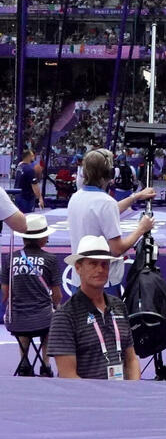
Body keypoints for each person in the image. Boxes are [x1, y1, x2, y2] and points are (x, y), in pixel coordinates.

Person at [48, 235, 141, 380]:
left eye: (104, 264)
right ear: (78, 268)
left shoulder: (118, 306)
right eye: (93, 263)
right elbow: (68, 376)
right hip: (87, 400)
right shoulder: (64, 316)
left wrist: (133, 391)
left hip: (123, 397)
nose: (100, 269)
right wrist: (101, 400)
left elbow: (131, 359)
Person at [67, 148, 156, 288]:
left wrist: (135, 197)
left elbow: (104, 210)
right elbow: (117, 249)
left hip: (79, 279)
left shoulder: (76, 197)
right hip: (103, 281)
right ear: (110, 173)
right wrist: (141, 229)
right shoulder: (105, 203)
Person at [1, 214, 61, 376]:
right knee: (54, 318)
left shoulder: (9, 258)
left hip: (15, 321)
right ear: (42, 238)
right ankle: (46, 364)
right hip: (43, 319)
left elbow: (5, 294)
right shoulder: (51, 259)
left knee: (24, 321)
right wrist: (56, 306)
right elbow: (57, 295)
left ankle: (24, 363)